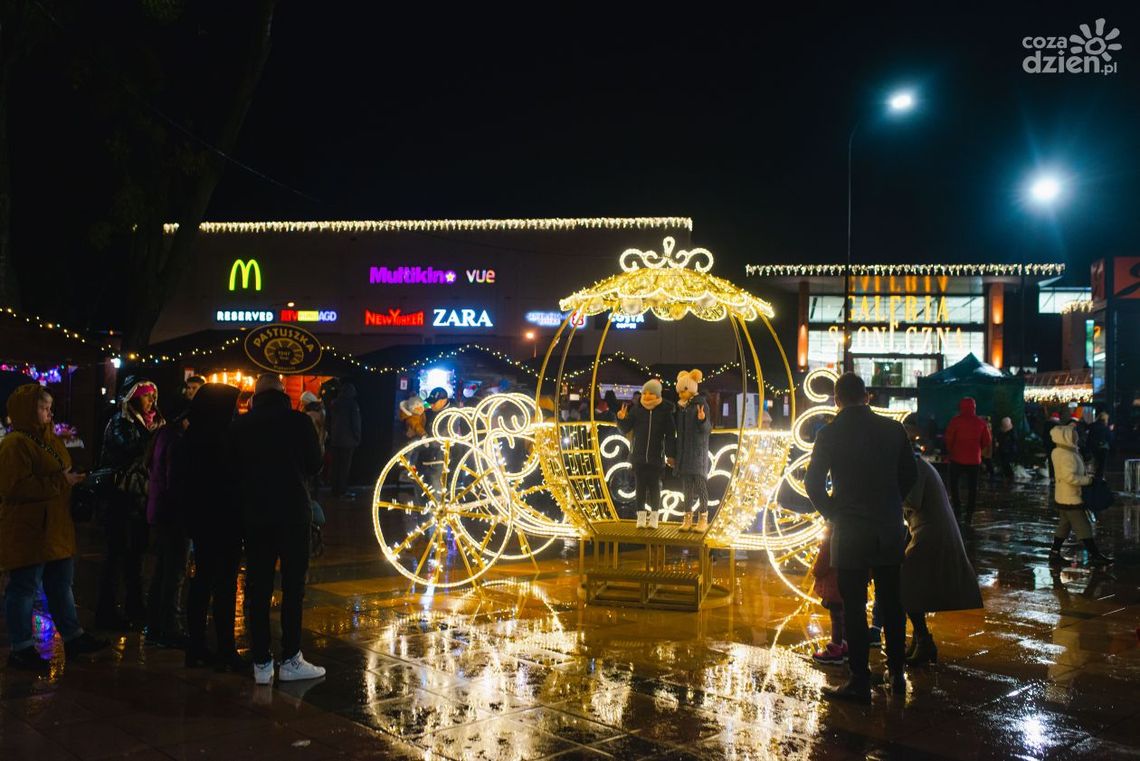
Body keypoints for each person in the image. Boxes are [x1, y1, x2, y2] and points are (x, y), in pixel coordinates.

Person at [805, 372, 916, 703]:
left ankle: (859, 680)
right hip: (887, 528)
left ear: (836, 400)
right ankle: (896, 674)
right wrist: (891, 503)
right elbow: (909, 474)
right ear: (866, 396)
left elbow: (813, 484)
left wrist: (834, 513)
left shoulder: (829, 433)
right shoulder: (893, 429)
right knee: (892, 603)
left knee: (853, 605)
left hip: (850, 530)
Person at [0, 385, 108, 669]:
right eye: (42, 407)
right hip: (29, 529)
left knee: (61, 584)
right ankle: (21, 647)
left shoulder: (51, 440)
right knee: (24, 587)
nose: (49, 412)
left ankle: (73, 636)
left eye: (50, 407)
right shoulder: (15, 444)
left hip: (56, 527)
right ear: (26, 410)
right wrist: (62, 482)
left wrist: (75, 481)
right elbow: (13, 487)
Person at [226, 374, 324, 684]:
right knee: (293, 587)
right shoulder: (298, 422)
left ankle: (262, 662)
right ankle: (292, 656)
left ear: (256, 395)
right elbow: (314, 465)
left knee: (258, 586)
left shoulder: (240, 425)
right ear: (283, 393)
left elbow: (231, 469)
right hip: (293, 513)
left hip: (255, 514)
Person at [178, 383, 244, 670]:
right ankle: (225, 648)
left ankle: (196, 646)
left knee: (202, 581)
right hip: (224, 520)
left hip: (200, 520)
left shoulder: (192, 435)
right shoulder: (221, 438)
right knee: (224, 584)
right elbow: (231, 480)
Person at [900, 457, 984, 666]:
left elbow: (912, 500)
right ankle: (920, 641)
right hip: (926, 530)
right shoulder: (916, 464)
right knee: (910, 585)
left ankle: (923, 641)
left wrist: (885, 493)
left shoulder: (915, 466)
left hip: (931, 532)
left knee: (905, 584)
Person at [97, 378, 165, 629]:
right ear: (135, 397)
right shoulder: (120, 421)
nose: (151, 401)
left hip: (142, 497)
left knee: (136, 555)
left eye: (153, 396)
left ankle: (135, 607)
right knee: (116, 555)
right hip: (120, 496)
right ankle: (106, 612)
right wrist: (154, 437)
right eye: (146, 396)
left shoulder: (157, 421)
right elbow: (127, 449)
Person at [144, 410, 190, 648]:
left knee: (163, 570)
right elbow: (176, 482)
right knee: (174, 572)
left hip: (160, 512)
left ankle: (154, 624)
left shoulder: (162, 436)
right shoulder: (177, 441)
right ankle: (170, 627)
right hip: (173, 516)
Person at [1048, 424, 1112, 567]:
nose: (1076, 439)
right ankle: (1095, 555)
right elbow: (1070, 477)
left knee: (1064, 525)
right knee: (1083, 527)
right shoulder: (1067, 454)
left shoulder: (1060, 451)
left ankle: (1054, 553)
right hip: (1071, 497)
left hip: (1064, 496)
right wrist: (1088, 480)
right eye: (1073, 436)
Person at [616, 379, 676, 520]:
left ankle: (654, 517)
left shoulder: (665, 411)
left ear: (658, 395)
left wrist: (670, 455)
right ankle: (641, 517)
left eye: (651, 393)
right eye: (645, 393)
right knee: (640, 488)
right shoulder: (637, 410)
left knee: (655, 488)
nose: (647, 396)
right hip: (638, 457)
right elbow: (625, 428)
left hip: (656, 457)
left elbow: (670, 435)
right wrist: (621, 419)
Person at [673, 369, 711, 531]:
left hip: (697, 453)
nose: (682, 394)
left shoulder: (700, 405)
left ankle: (703, 519)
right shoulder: (681, 408)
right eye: (680, 391)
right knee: (686, 489)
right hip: (684, 454)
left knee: (701, 486)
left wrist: (702, 420)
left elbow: (707, 429)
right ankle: (687, 518)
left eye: (685, 390)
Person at [943, 397, 990, 524]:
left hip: (957, 458)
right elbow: (987, 440)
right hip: (974, 460)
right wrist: (978, 448)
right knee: (972, 487)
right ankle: (970, 512)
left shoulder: (955, 422)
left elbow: (948, 438)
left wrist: (951, 450)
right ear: (974, 407)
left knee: (954, 485)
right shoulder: (980, 423)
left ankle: (957, 508)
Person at [810, 523, 847, 666]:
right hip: (849, 581)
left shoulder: (832, 532)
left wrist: (816, 571)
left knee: (836, 618)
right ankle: (845, 646)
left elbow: (823, 559)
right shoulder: (854, 527)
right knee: (846, 617)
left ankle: (835, 649)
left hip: (833, 584)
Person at [328, 381, 361, 497]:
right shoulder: (352, 404)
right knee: (344, 468)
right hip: (348, 441)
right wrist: (357, 437)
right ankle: (342, 491)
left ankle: (334, 490)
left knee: (335, 466)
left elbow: (329, 421)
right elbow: (355, 423)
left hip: (335, 440)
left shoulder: (334, 403)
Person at [1086, 411, 1113, 481]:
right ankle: (1099, 479)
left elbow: (1088, 436)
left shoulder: (1092, 425)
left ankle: (1093, 477)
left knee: (1094, 463)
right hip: (1103, 448)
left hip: (1092, 447)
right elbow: (1110, 438)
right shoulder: (1105, 427)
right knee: (1101, 465)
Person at [994, 417, 1019, 484]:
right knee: (1004, 463)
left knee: (1006, 463)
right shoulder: (1001, 432)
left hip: (1008, 450)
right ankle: (1008, 476)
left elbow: (1014, 441)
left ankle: (1009, 476)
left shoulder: (1012, 432)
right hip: (1003, 450)